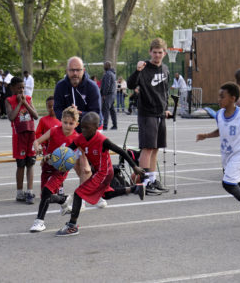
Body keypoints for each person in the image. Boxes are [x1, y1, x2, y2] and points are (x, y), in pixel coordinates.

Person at [55, 112, 145, 236]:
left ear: (96, 128)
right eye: (82, 127)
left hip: (105, 172)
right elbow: (67, 151)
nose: (84, 130)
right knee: (106, 194)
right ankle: (135, 189)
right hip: (100, 172)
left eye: (87, 128)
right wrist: (56, 159)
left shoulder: (102, 140)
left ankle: (72, 226)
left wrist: (135, 167)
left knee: (78, 193)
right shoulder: (80, 138)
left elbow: (122, 152)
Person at [196, 82, 240, 223]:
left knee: (228, 183)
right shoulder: (219, 114)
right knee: (237, 182)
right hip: (227, 154)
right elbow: (222, 130)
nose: (219, 99)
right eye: (219, 96)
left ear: (233, 98)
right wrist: (206, 135)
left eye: (222, 97)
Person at [53, 56, 104, 208]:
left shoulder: (92, 87)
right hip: (71, 134)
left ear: (83, 70)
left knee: (91, 168)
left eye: (78, 70)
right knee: (82, 167)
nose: (75, 73)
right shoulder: (61, 87)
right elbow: (57, 110)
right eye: (72, 70)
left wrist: (79, 114)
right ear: (67, 71)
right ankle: (84, 198)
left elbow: (96, 114)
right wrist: (68, 115)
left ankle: (94, 193)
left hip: (90, 132)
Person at [127, 37, 171, 195]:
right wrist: (137, 70)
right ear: (150, 52)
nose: (157, 55)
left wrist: (166, 108)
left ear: (164, 53)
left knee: (156, 148)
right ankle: (144, 182)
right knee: (147, 148)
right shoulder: (144, 67)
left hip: (160, 113)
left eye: (160, 52)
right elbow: (131, 84)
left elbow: (165, 91)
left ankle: (152, 179)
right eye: (155, 52)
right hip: (147, 113)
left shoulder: (165, 69)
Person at [30, 106, 80, 232]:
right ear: (61, 120)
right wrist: (38, 148)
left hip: (61, 170)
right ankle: (63, 199)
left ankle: (39, 221)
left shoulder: (77, 138)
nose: (67, 126)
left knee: (46, 192)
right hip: (47, 165)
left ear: (76, 124)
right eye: (65, 122)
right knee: (45, 196)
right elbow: (36, 141)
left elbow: (78, 157)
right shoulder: (54, 130)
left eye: (71, 123)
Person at [6, 76, 39, 204]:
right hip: (19, 136)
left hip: (30, 135)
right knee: (20, 165)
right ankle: (19, 192)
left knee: (30, 163)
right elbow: (11, 117)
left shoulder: (28, 99)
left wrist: (25, 103)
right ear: (12, 88)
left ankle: (29, 191)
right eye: (19, 88)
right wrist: (19, 103)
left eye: (23, 88)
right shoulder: (9, 100)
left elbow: (35, 116)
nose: (21, 90)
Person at [100, 61, 117, 130]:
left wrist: (104, 94)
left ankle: (105, 125)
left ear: (106, 66)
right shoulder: (112, 74)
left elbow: (107, 85)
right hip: (112, 94)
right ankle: (115, 125)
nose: (103, 67)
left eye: (104, 65)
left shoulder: (108, 74)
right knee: (112, 110)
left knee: (106, 110)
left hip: (108, 94)